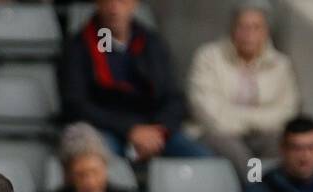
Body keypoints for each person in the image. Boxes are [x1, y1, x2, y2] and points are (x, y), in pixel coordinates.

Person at [59, 0, 208, 162]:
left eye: (122, 1)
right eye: (108, 1)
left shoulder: (151, 42)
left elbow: (173, 97)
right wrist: (130, 129)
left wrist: (158, 131)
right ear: (98, 4)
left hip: (155, 129)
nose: (114, 8)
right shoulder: (80, 46)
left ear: (134, 4)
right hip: (107, 130)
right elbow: (76, 105)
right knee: (100, 161)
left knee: (205, 160)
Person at [187, 0, 299, 176]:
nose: (248, 34)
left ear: (266, 32)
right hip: (217, 133)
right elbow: (209, 113)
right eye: (243, 27)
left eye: (256, 27)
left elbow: (286, 112)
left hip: (262, 135)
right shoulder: (209, 57)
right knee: (235, 150)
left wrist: (243, 119)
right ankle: (256, 187)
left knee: (285, 143)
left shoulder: (280, 64)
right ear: (233, 29)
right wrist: (258, 119)